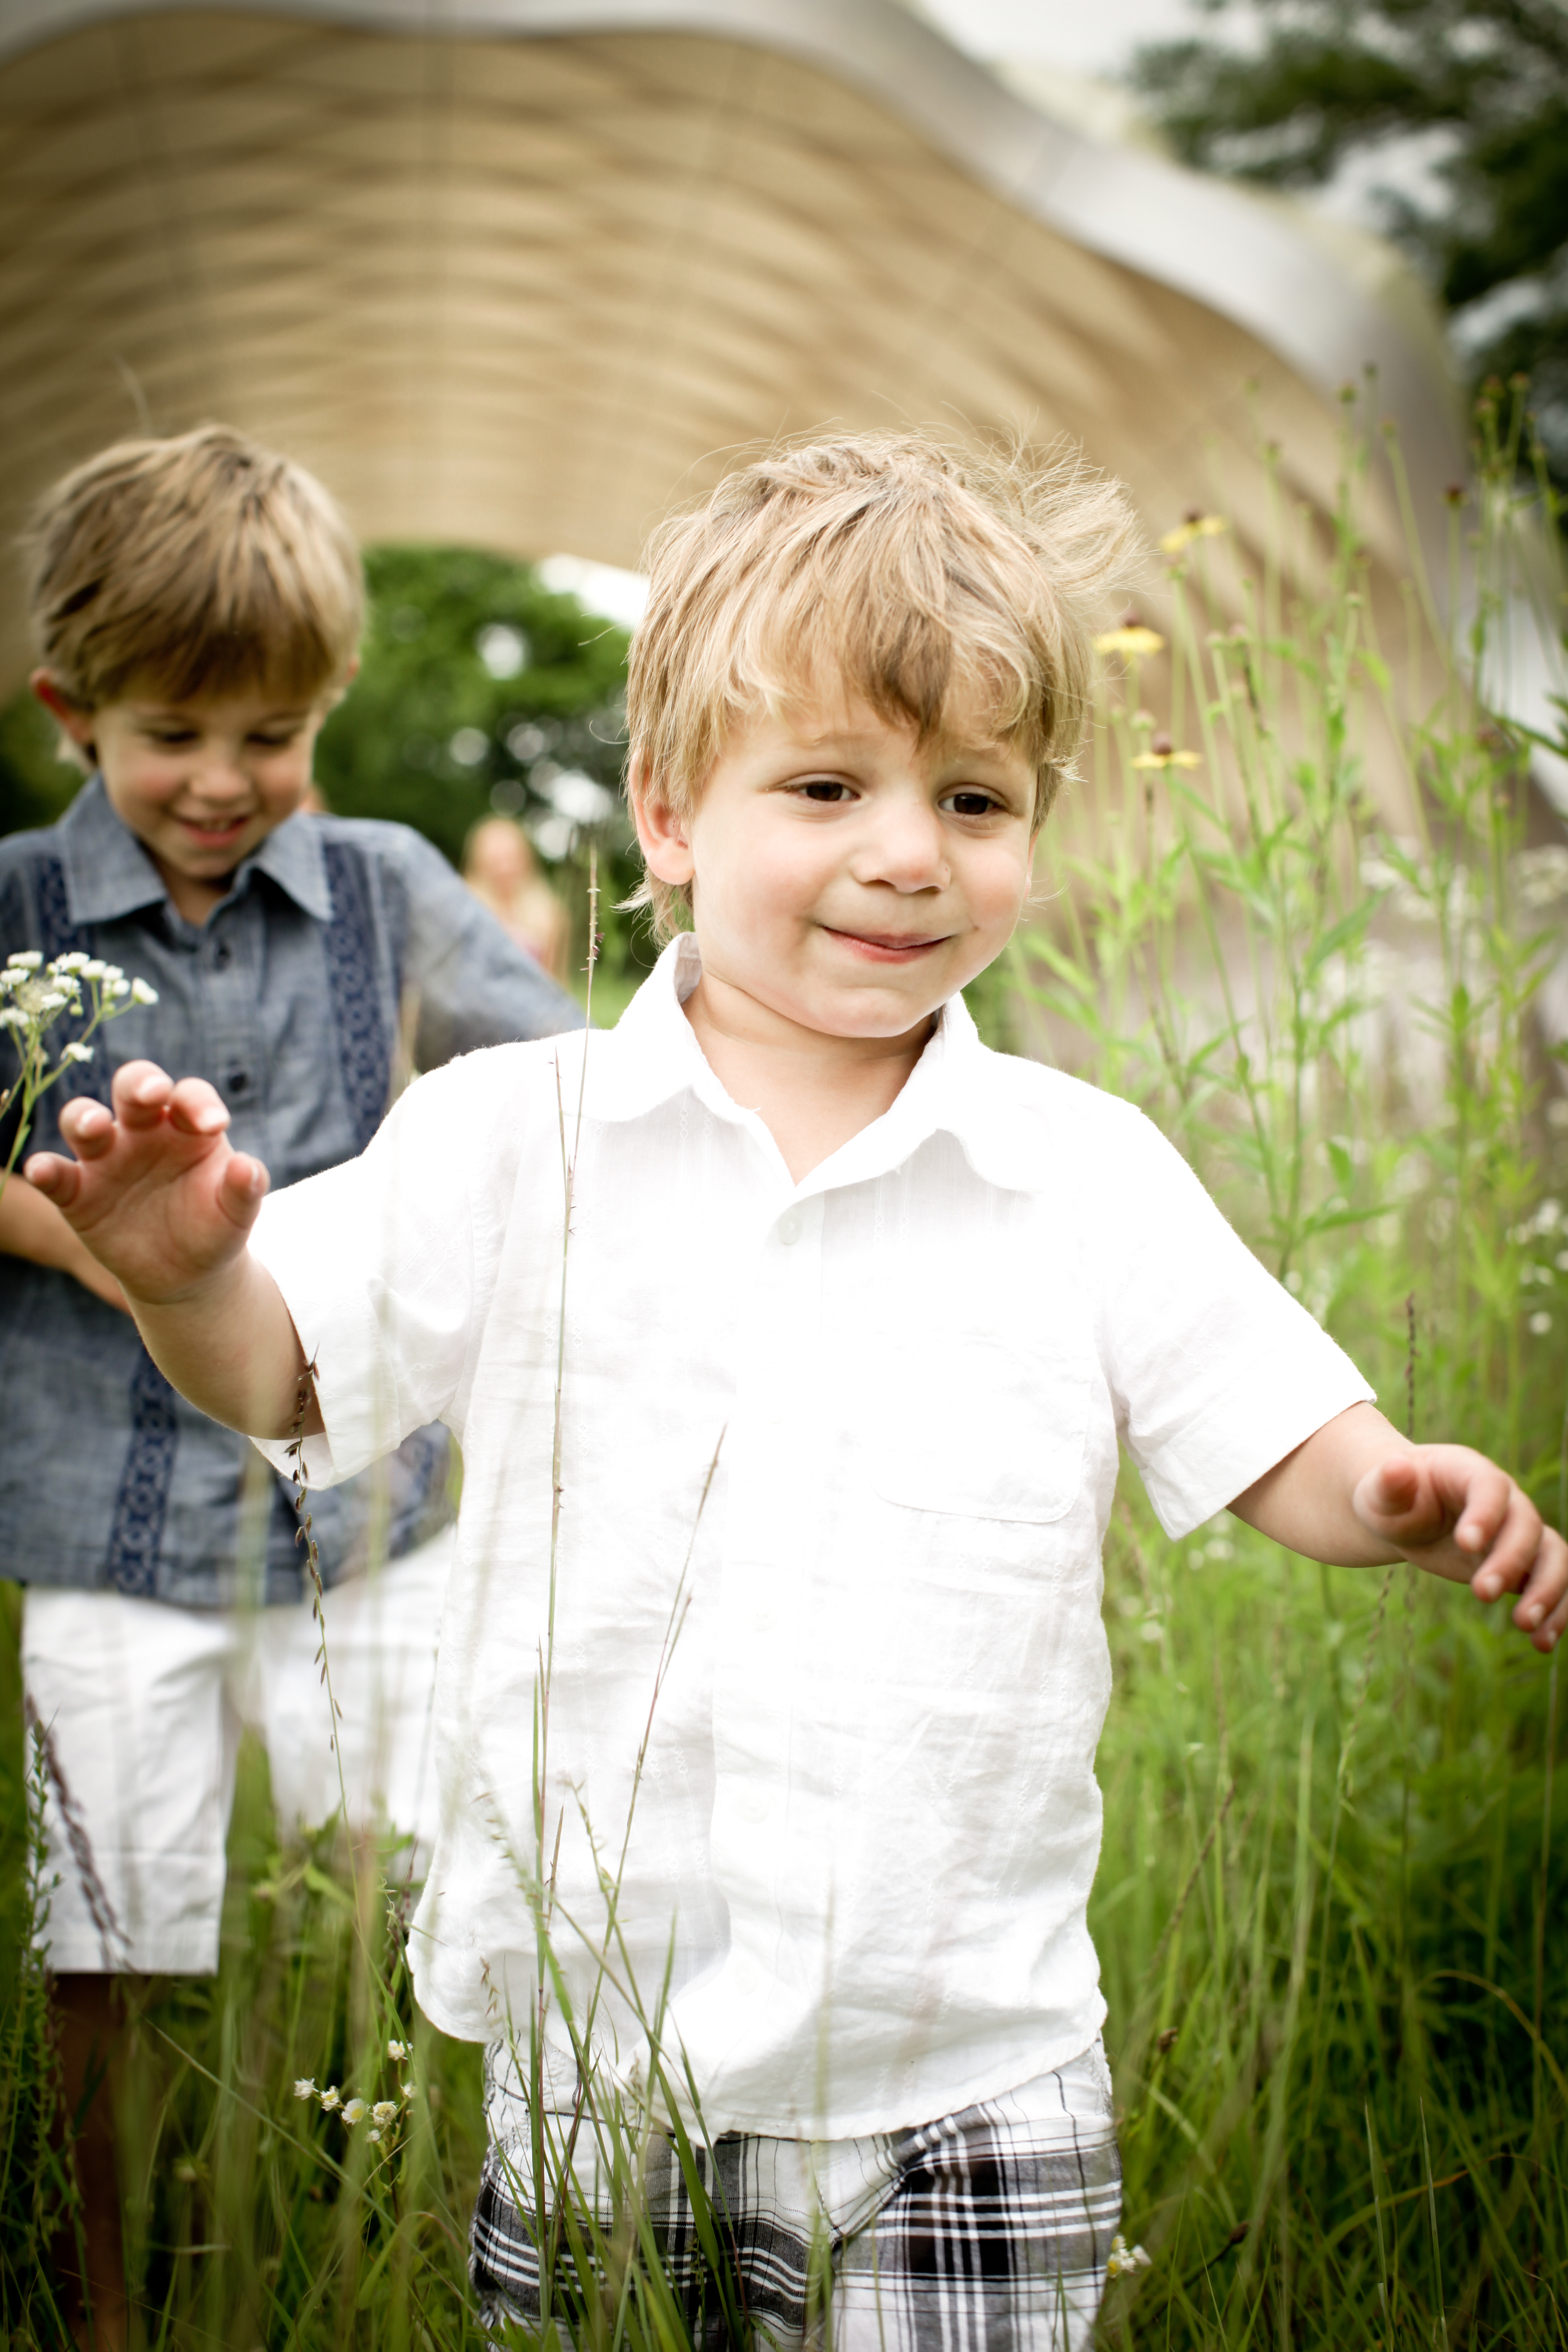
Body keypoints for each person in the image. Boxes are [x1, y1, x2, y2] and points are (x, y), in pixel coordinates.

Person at [25, 433, 1567, 2350]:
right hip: (593, 2044)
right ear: (667, 811)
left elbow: (1271, 1427)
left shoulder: (1073, 1162)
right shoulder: (521, 1132)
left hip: (967, 2050)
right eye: (825, 785)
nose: (907, 848)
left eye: (974, 795)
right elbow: (286, 1365)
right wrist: (190, 1272)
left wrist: (1397, 1484)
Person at [0, 423, 581, 2346]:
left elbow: (553, 1077)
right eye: (176, 731)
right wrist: (117, 1241)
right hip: (99, 1509)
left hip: (362, 1518)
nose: (226, 781)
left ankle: (407, 2234)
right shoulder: (15, 904)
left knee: (407, 1884)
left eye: (275, 734)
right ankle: (107, 2290)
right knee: (115, 1923)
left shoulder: (387, 881)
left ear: (327, 707)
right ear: (69, 707)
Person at [461, 810, 569, 978]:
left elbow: (554, 980)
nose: (504, 868)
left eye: (510, 858)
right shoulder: (465, 908)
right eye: (495, 860)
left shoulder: (548, 913)